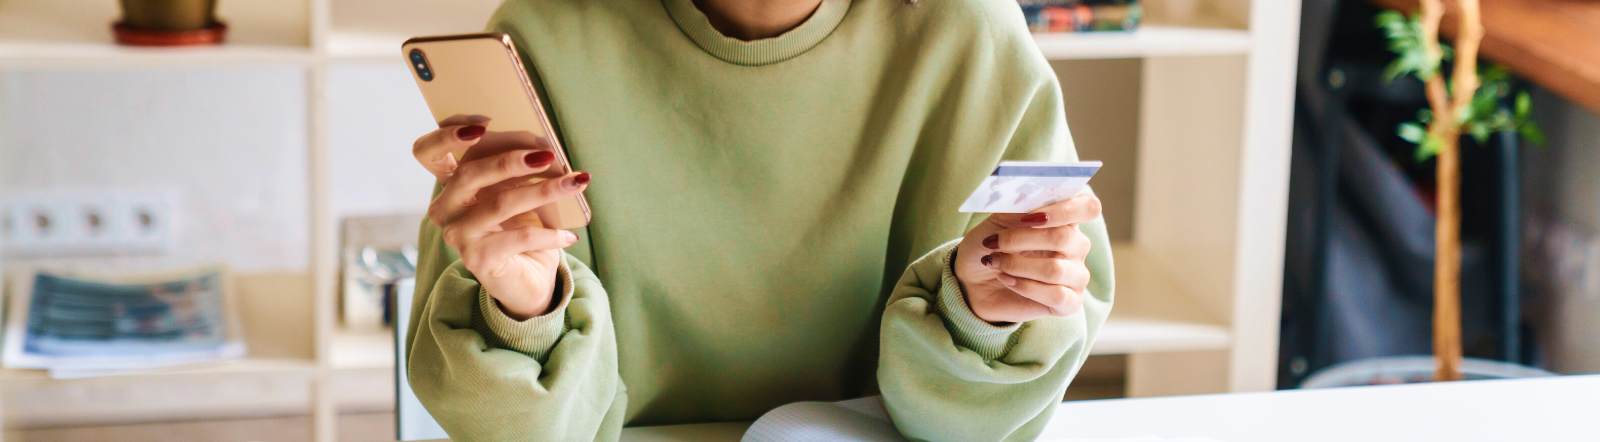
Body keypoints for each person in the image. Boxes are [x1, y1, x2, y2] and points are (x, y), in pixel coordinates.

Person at [405, 0, 1114, 440]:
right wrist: (524, 305)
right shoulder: (545, 32)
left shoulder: (970, 35)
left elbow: (976, 426)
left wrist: (985, 315)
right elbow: (523, 434)